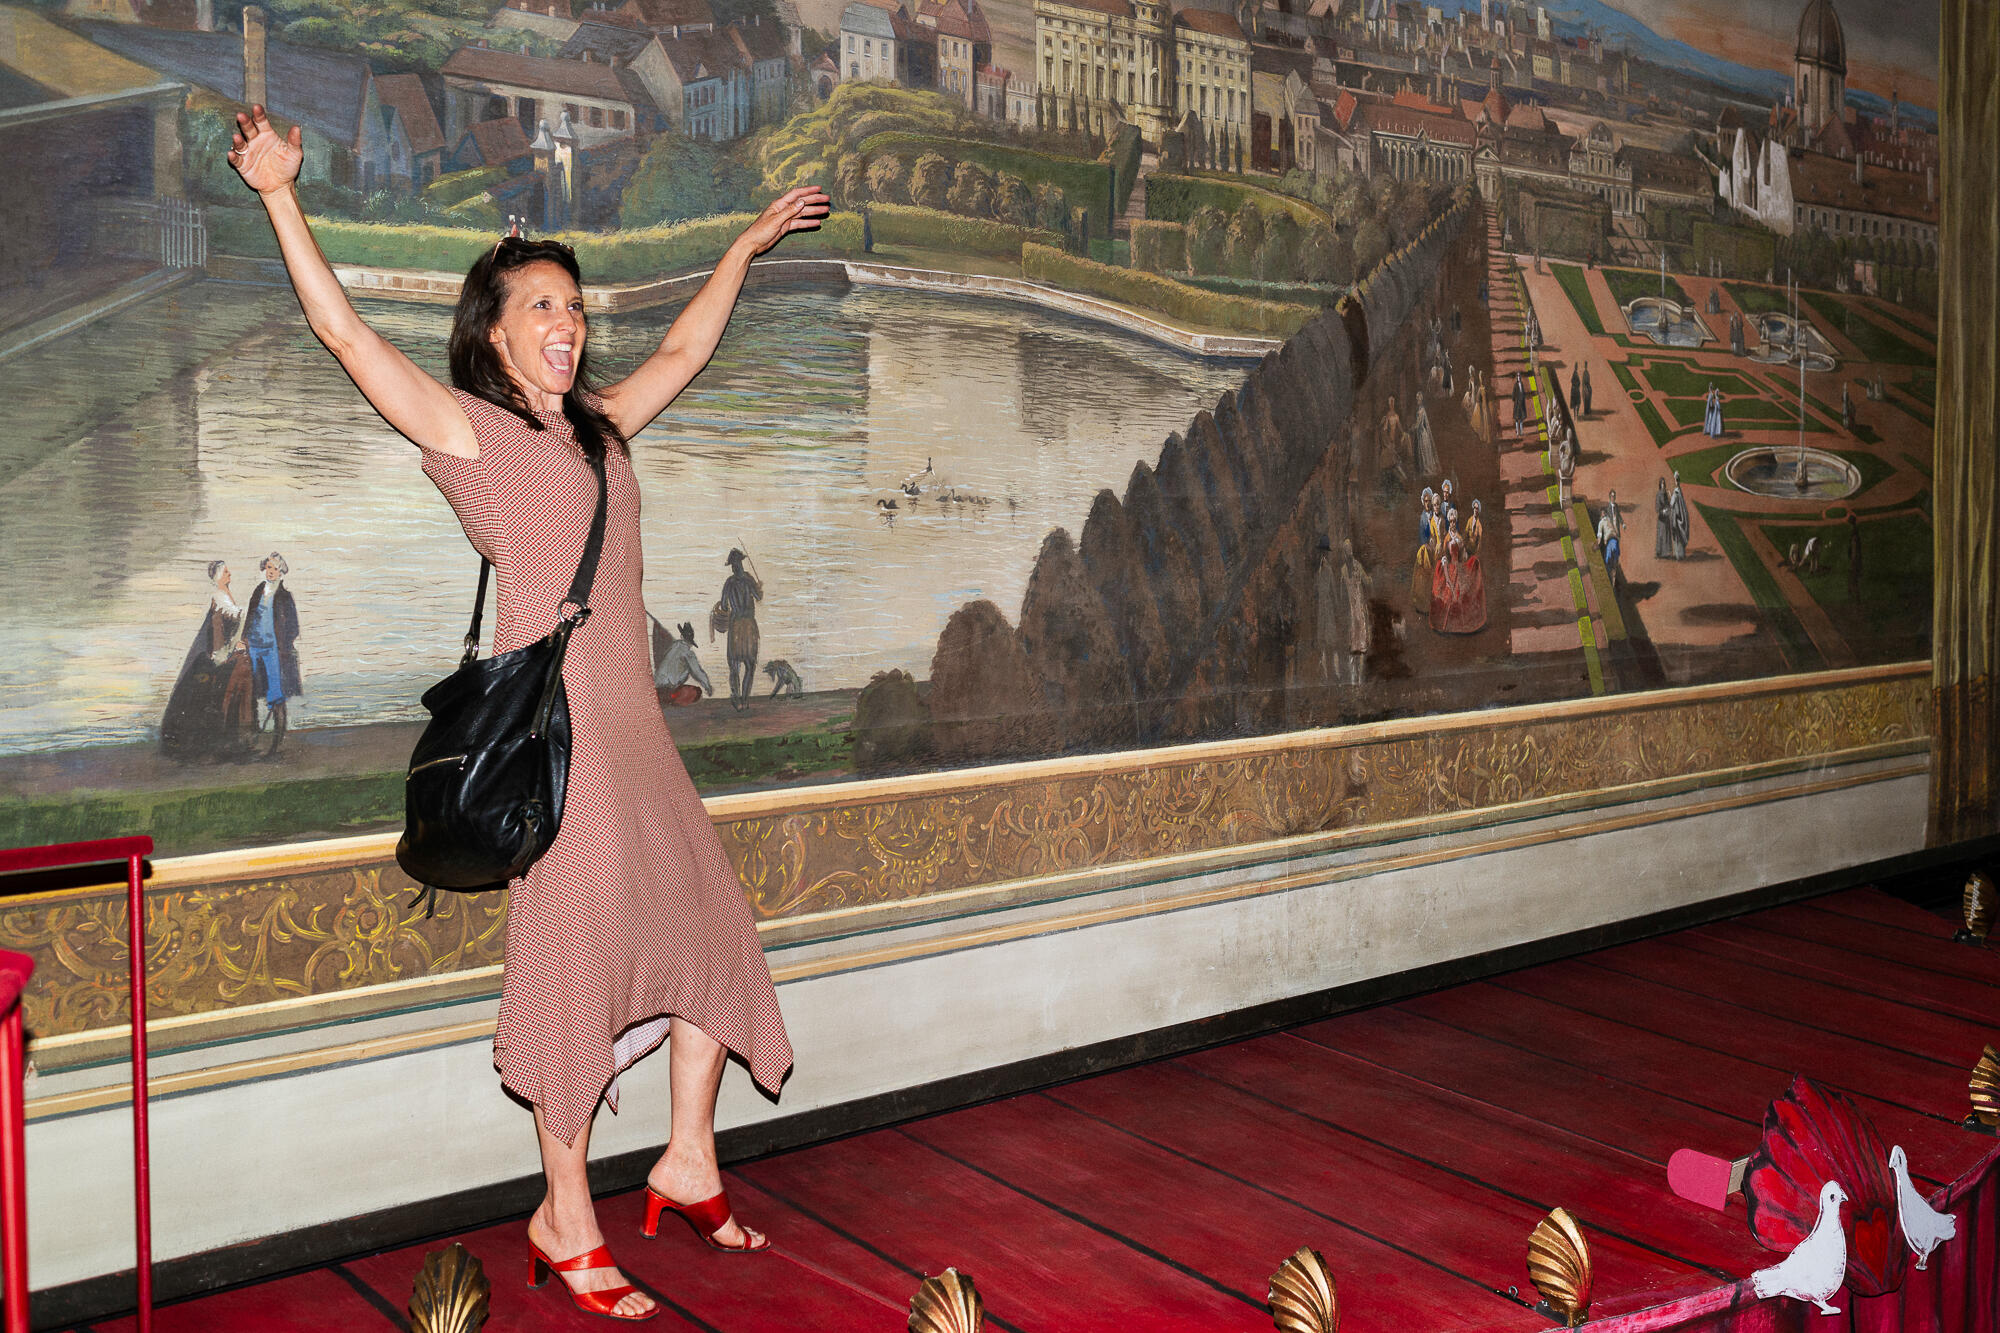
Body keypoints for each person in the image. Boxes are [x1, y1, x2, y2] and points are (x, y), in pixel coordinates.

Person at [228, 104, 827, 1321]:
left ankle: (687, 1158)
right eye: (543, 309)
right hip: (557, 746)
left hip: (635, 735)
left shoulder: (597, 429)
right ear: (494, 337)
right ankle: (563, 1213)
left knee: (709, 926)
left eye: (574, 306)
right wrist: (281, 193)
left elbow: (680, 359)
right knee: (573, 961)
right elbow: (345, 336)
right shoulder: (474, 433)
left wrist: (738, 255)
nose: (570, 325)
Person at [160, 560, 259, 762]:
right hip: (219, 655)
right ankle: (226, 743)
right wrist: (226, 653)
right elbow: (216, 632)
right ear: (218, 577)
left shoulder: (227, 596)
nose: (230, 573)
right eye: (226, 571)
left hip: (231, 650)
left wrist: (242, 644)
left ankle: (240, 739)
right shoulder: (218, 598)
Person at [243, 551, 302, 758]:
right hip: (254, 648)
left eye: (275, 569)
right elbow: (249, 618)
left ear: (281, 572)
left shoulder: (285, 597)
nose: (271, 572)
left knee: (276, 695)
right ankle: (251, 739)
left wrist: (283, 646)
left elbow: (293, 628)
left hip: (274, 651)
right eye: (268, 568)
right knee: (251, 692)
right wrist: (245, 639)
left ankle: (277, 743)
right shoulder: (259, 590)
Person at [719, 548, 763, 711]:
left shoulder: (729, 582)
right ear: (741, 563)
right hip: (749, 626)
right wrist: (759, 588)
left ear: (734, 565)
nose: (733, 567)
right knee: (750, 665)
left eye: (732, 565)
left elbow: (724, 605)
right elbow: (758, 597)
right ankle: (745, 700)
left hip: (736, 626)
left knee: (734, 665)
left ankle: (737, 701)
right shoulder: (749, 579)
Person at [651, 617, 713, 706]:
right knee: (696, 691)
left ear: (681, 636)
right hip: (669, 691)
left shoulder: (673, 647)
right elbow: (697, 672)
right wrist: (708, 687)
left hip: (656, 691)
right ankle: (673, 701)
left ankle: (666, 700)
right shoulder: (688, 653)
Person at [1667, 474, 1690, 560]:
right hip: (1680, 516)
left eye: (1676, 480)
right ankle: (1681, 554)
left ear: (1677, 481)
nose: (1675, 482)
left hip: (1676, 517)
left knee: (1677, 536)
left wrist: (1669, 494)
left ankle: (1679, 555)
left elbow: (1671, 504)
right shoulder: (1679, 490)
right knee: (1679, 535)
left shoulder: (1676, 492)